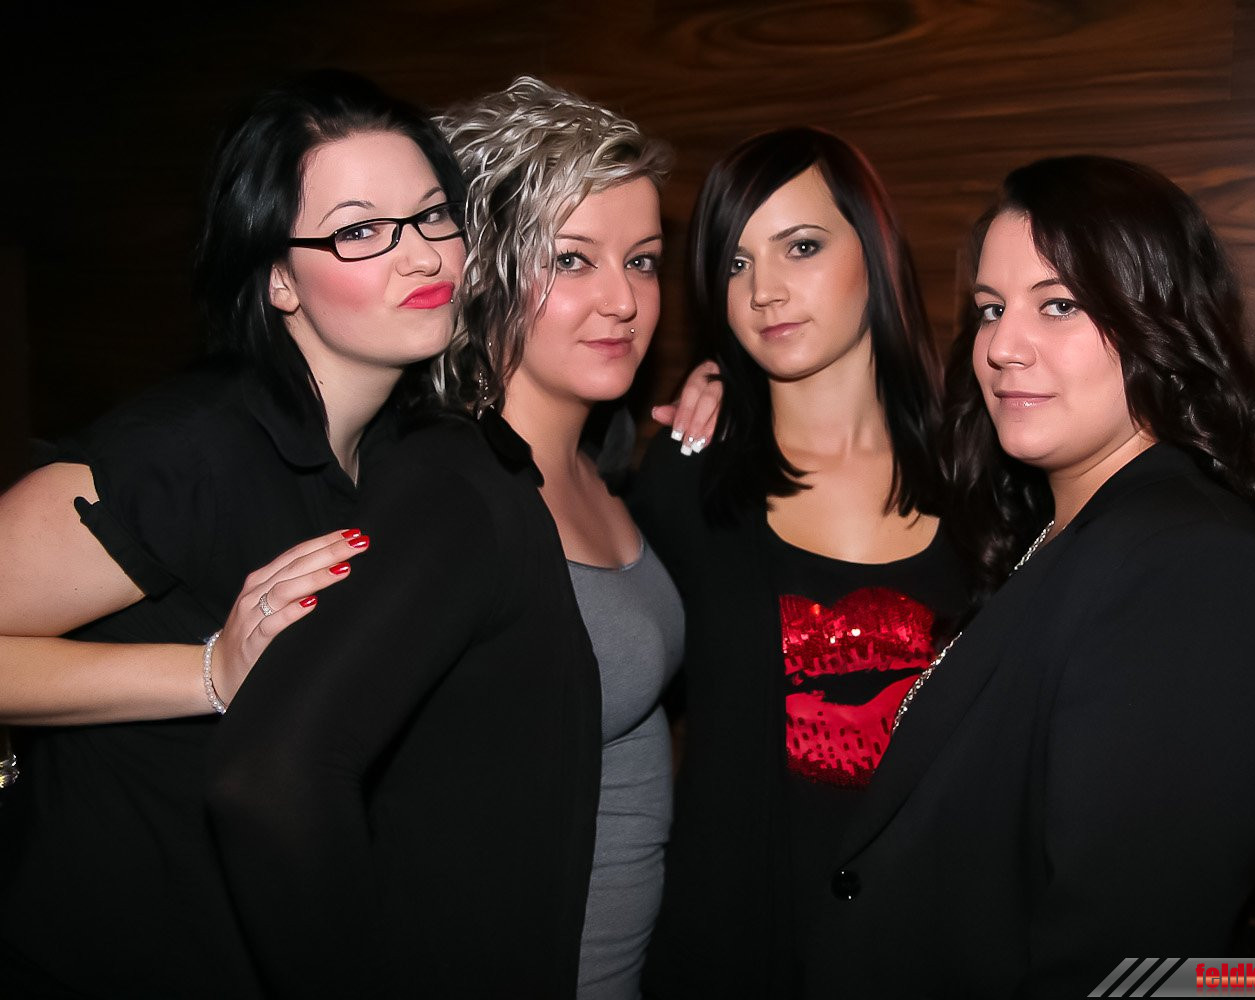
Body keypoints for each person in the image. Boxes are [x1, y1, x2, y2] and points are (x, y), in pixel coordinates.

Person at [799, 155, 1255, 998]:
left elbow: (1121, 957)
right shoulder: (1062, 528)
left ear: (1157, 319)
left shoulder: (1194, 566)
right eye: (990, 309)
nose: (1000, 347)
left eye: (1058, 305)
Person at [207, 78, 679, 999]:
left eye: (645, 261)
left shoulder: (600, 465)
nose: (623, 300)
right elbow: (269, 778)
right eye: (573, 260)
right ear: (485, 268)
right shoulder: (452, 491)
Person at [0, 70, 464, 997]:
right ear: (279, 278)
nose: (421, 256)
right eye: (360, 231)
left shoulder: (394, 450)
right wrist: (208, 672)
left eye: (432, 216)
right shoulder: (188, 451)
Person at [631, 127, 968, 998]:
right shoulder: (687, 475)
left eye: (802, 247)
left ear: (875, 251)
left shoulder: (984, 478)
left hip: (925, 952)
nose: (765, 291)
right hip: (730, 952)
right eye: (736, 264)